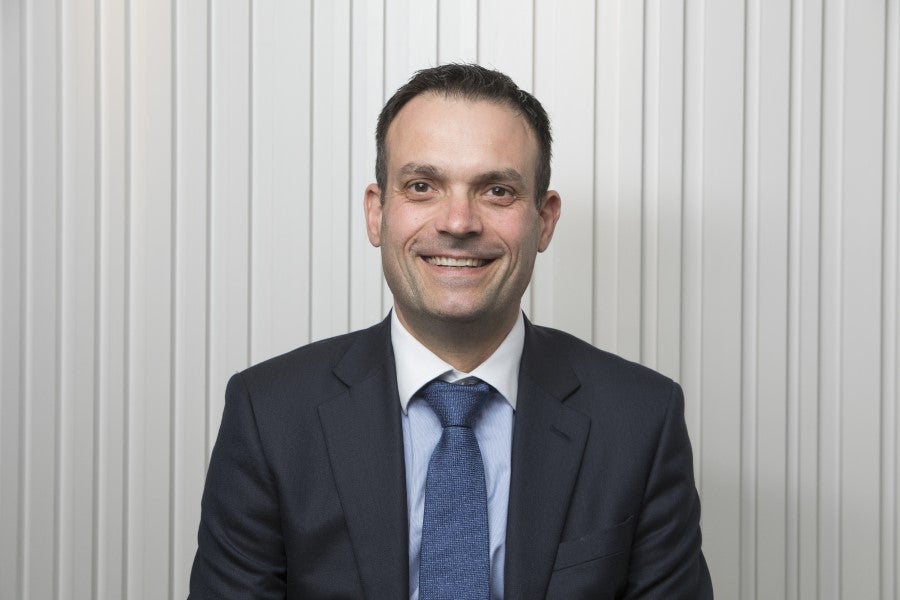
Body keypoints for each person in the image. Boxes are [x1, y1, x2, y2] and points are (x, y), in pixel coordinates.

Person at [189, 63, 713, 599]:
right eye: (422, 186)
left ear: (545, 220)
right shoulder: (269, 414)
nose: (458, 222)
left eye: (497, 191)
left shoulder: (641, 420)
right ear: (376, 213)